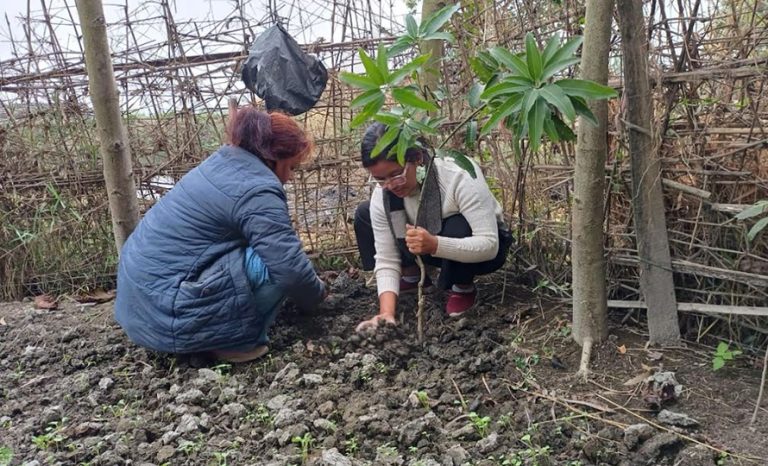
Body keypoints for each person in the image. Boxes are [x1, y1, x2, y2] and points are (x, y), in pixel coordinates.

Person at [115, 107, 326, 362]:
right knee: (275, 265)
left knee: (271, 254)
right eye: (291, 167)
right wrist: (318, 297)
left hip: (143, 309)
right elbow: (290, 270)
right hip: (170, 310)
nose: (290, 177)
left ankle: (202, 336)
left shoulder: (222, 163)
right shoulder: (258, 189)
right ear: (275, 158)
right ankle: (232, 344)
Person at [353, 122, 513, 332]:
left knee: (458, 225)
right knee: (365, 214)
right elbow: (386, 257)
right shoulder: (383, 193)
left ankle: (462, 285)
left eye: (396, 174)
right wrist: (386, 314)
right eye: (380, 179)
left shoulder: (458, 174)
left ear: (417, 158)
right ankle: (413, 277)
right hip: (423, 245)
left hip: (481, 250)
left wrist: (435, 244)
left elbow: (490, 244)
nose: (390, 185)